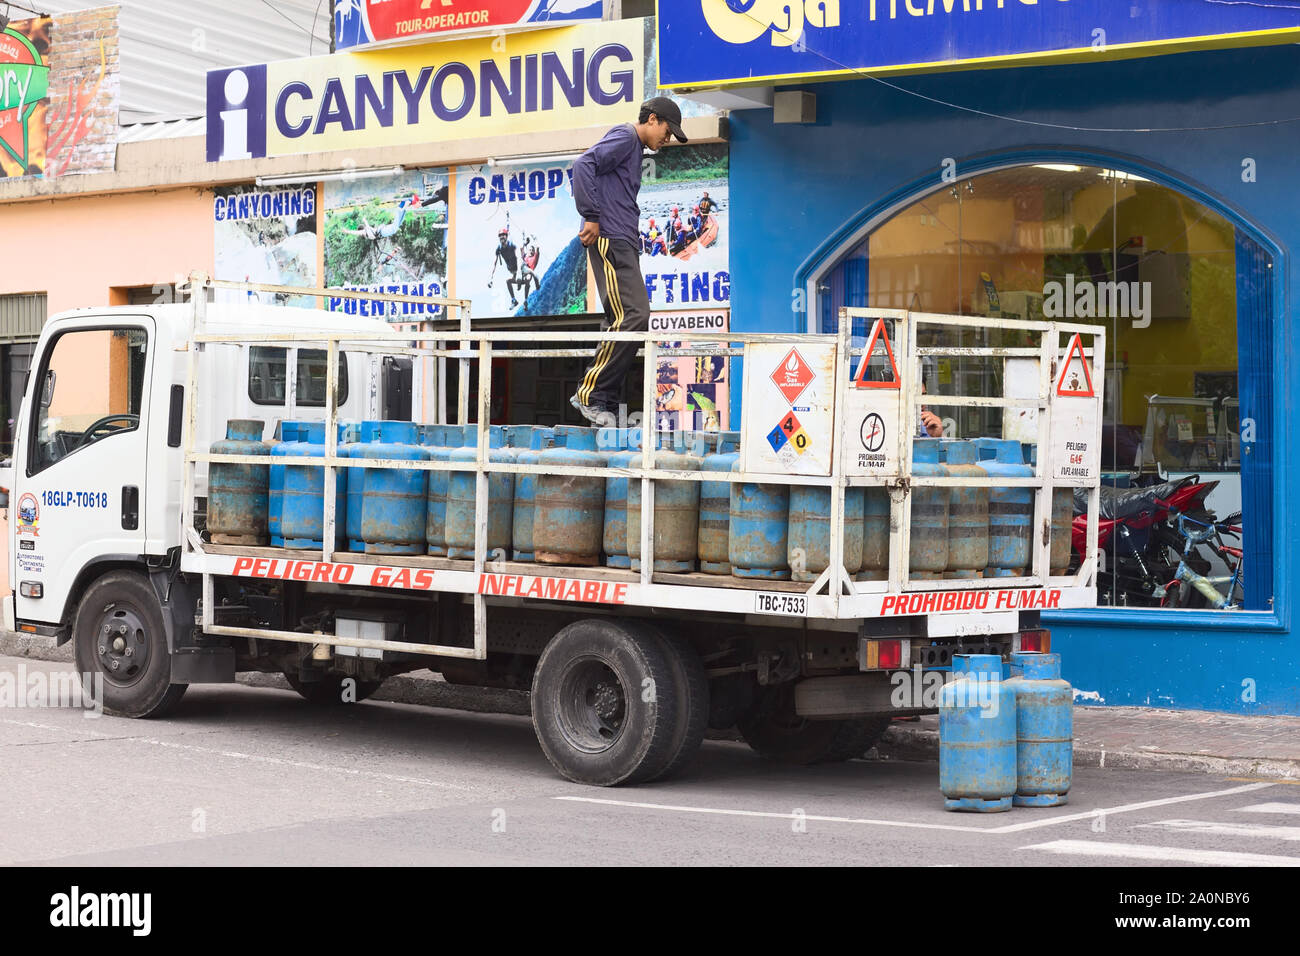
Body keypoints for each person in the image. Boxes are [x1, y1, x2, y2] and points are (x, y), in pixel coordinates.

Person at [570, 96, 688, 425]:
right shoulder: (626, 136)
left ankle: (602, 400)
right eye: (667, 130)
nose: (667, 139)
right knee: (636, 314)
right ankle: (589, 395)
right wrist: (591, 216)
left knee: (622, 319)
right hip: (609, 236)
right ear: (652, 119)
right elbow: (583, 165)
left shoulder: (634, 148)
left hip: (622, 239)